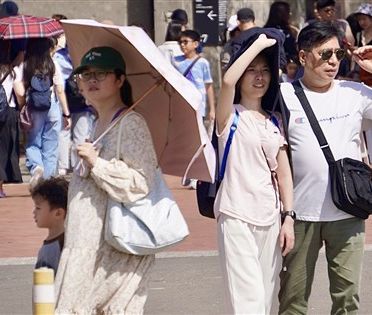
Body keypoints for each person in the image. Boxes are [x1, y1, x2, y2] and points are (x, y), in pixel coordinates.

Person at [54, 46, 159, 314]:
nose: (91, 80)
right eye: (85, 74)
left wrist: (96, 164)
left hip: (110, 252)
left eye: (101, 74)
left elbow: (140, 182)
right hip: (85, 245)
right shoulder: (99, 123)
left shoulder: (131, 124)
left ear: (120, 80)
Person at [278, 21, 372, 314]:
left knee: (347, 298)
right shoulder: (283, 95)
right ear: (303, 57)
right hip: (300, 214)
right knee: (293, 300)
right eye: (324, 54)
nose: (333, 61)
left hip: (348, 210)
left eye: (338, 54)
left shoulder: (355, 92)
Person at [215, 30, 294, 314]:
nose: (259, 77)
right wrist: (259, 45)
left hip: (270, 218)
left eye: (265, 71)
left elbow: (284, 176)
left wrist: (289, 218)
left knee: (263, 298)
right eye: (252, 71)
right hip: (235, 214)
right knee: (246, 302)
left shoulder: (274, 121)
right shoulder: (229, 116)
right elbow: (226, 80)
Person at [20, 38, 71, 188]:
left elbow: (21, 89)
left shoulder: (26, 65)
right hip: (52, 105)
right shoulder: (52, 64)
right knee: (51, 144)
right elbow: (60, 89)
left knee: (33, 141)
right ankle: (47, 181)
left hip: (34, 106)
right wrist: (66, 113)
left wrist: (23, 105)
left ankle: (36, 167)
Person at [0, 40, 24, 198]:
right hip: (7, 112)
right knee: (2, 150)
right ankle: (0, 187)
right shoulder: (12, 71)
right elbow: (20, 93)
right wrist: (21, 108)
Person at [32, 177, 68, 276]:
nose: (34, 212)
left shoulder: (59, 247)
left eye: (38, 208)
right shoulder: (60, 243)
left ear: (58, 213)